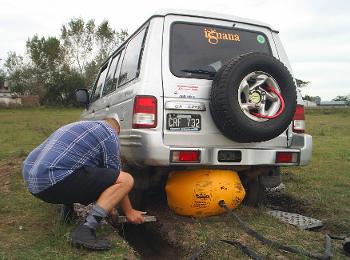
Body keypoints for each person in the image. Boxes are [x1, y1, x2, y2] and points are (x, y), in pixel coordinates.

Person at [22, 114, 145, 250]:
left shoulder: (80, 127)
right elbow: (116, 178)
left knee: (73, 165)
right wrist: (129, 211)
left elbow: (85, 171)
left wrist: (109, 207)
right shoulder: (109, 133)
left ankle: (67, 214)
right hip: (54, 181)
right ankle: (86, 230)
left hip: (34, 183)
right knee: (126, 179)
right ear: (118, 131)